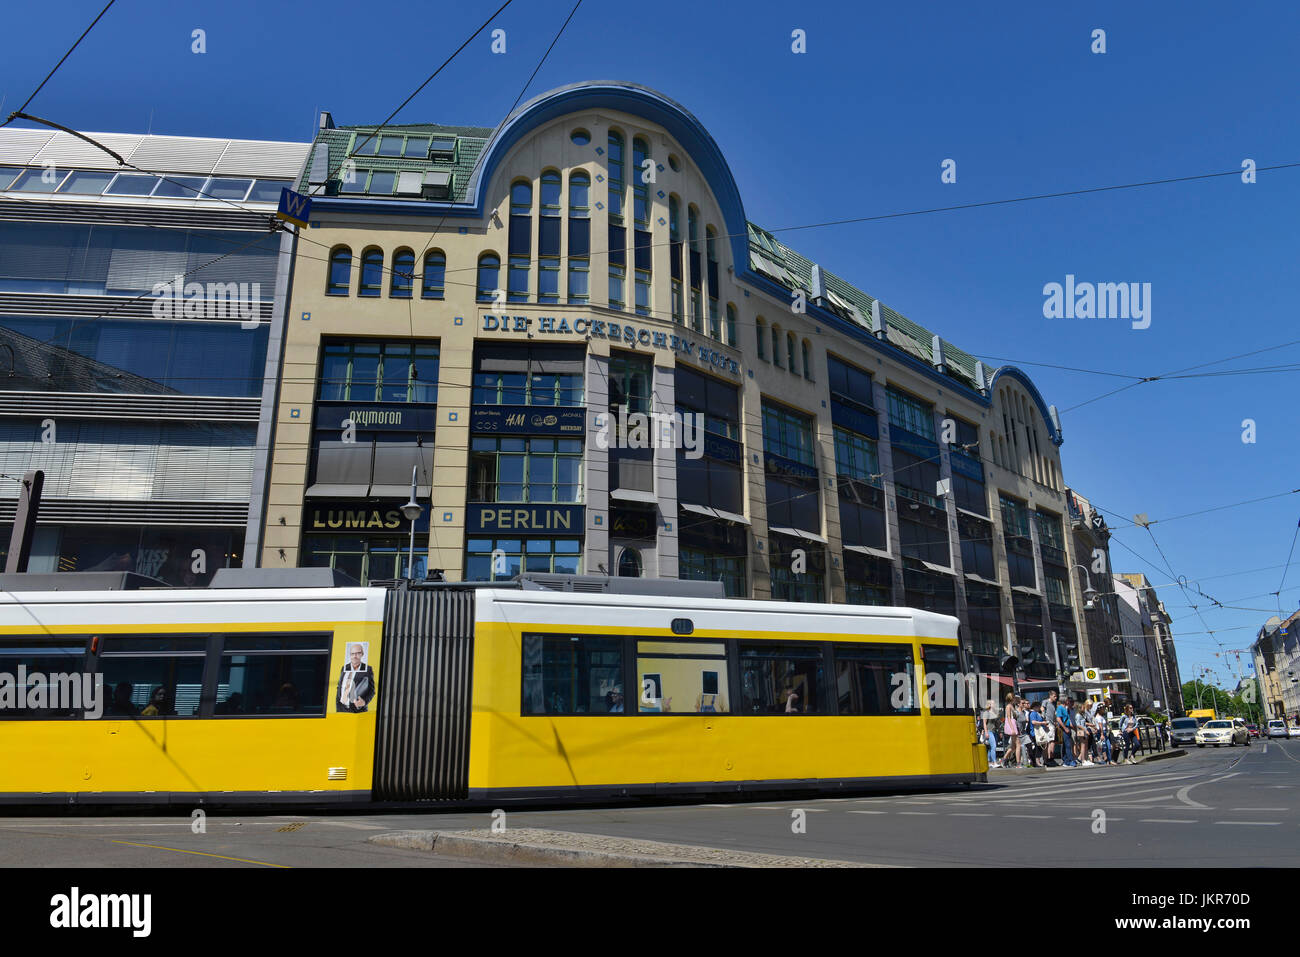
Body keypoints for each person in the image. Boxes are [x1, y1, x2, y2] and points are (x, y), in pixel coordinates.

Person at [337, 642, 376, 713]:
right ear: (350, 655)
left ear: (362, 654)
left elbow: (372, 690)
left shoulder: (367, 669)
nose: (355, 656)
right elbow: (340, 687)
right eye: (352, 654)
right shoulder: (344, 668)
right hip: (341, 709)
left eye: (358, 653)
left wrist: (364, 702)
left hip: (357, 710)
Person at [1029, 700, 1051, 767]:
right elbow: (1033, 722)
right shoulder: (1033, 713)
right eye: (1039, 706)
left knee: (1039, 747)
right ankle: (1037, 761)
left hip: (1039, 732)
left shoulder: (1038, 713)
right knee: (1038, 747)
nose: (1040, 708)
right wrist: (1042, 723)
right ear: (1035, 707)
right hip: (1035, 733)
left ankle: (1037, 761)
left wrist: (1045, 725)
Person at [1056, 694, 1077, 767]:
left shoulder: (1066, 708)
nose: (1068, 701)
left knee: (1066, 745)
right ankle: (1071, 760)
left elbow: (1068, 718)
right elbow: (1058, 719)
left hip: (1068, 727)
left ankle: (1066, 760)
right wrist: (1065, 728)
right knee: (1068, 744)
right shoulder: (1060, 708)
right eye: (1067, 700)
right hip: (1064, 728)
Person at [1003, 693, 1020, 768]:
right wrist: (1012, 728)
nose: (1015, 699)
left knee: (1013, 747)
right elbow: (1009, 718)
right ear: (1012, 698)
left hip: (1014, 724)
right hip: (1012, 725)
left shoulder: (1012, 706)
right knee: (1018, 744)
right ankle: (1018, 763)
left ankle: (1004, 759)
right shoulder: (1008, 706)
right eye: (1014, 698)